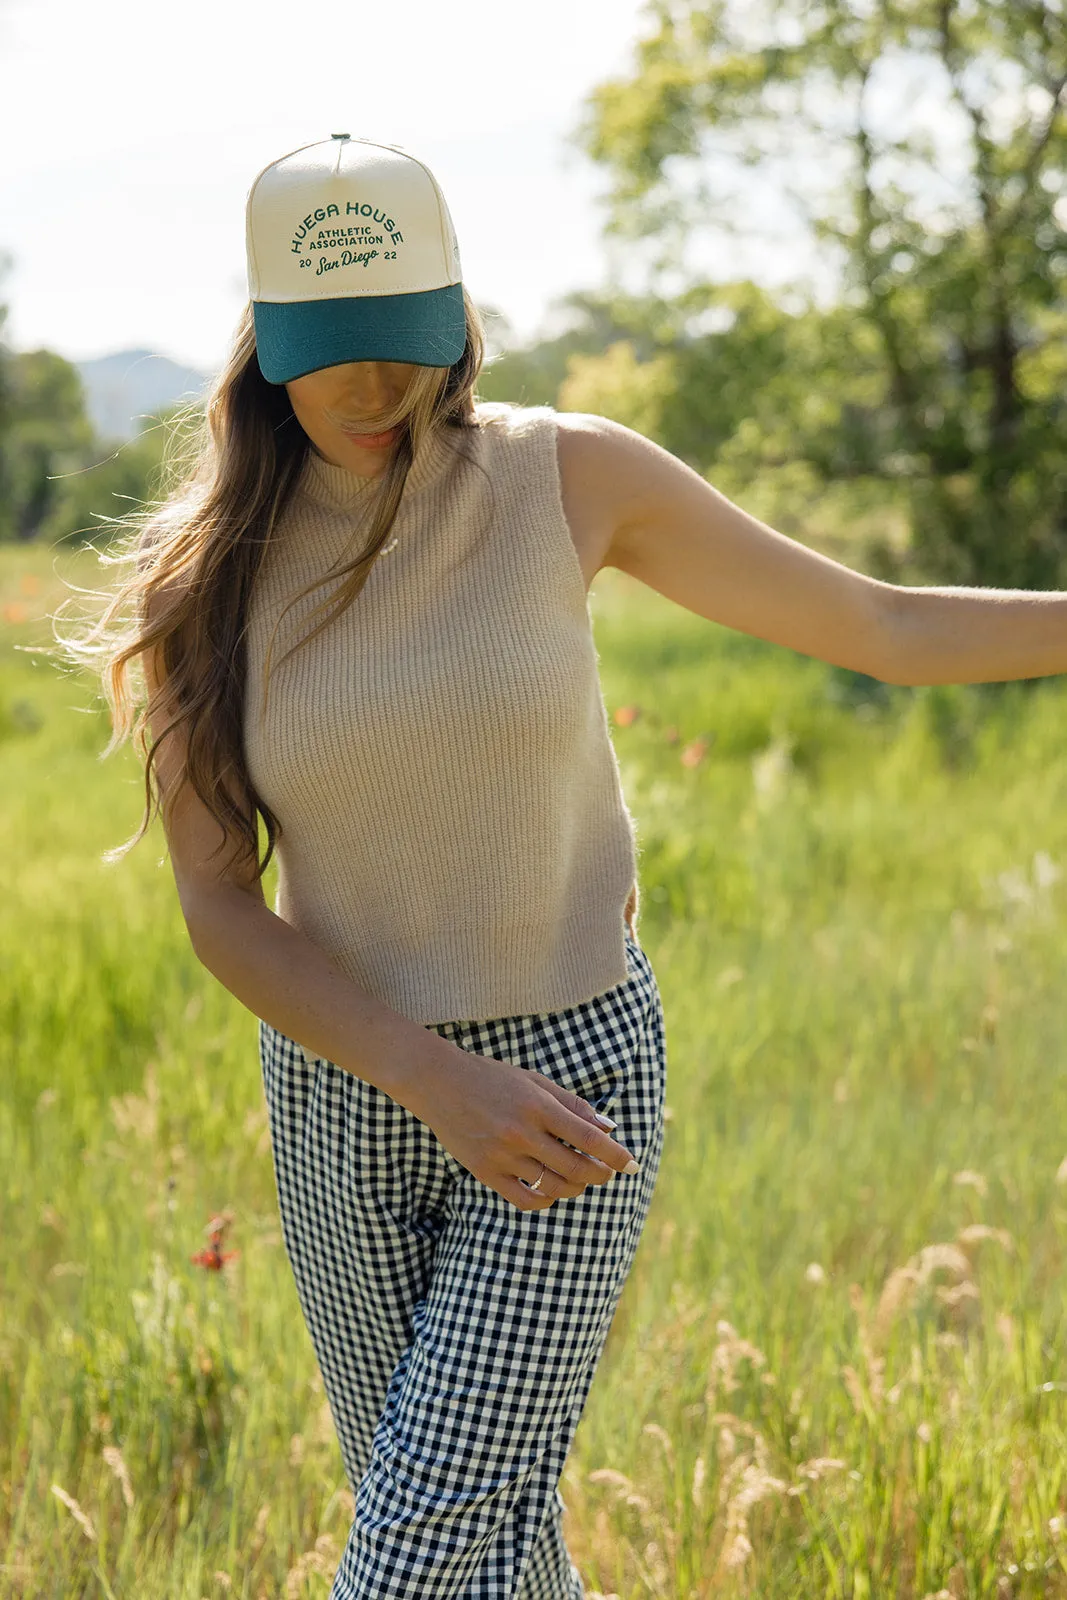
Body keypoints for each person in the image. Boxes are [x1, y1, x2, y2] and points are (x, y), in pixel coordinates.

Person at [91, 133, 668, 1599]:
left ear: (455, 318)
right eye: (331, 351)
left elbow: (888, 626)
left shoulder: (564, 478)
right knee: (487, 1539)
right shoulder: (203, 572)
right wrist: (431, 1079)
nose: (369, 391)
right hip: (343, 1094)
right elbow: (219, 899)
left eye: (401, 344)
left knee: (414, 1548)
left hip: (565, 1088)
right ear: (267, 340)